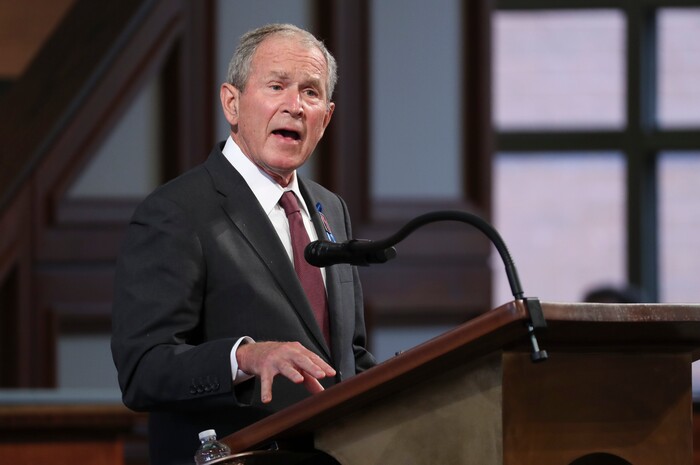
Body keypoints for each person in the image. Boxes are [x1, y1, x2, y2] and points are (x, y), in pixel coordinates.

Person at [111, 23, 375, 465]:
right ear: (232, 103)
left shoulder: (331, 209)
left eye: (310, 93)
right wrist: (245, 357)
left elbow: (350, 355)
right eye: (277, 86)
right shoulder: (177, 211)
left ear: (325, 119)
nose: (294, 106)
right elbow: (143, 369)